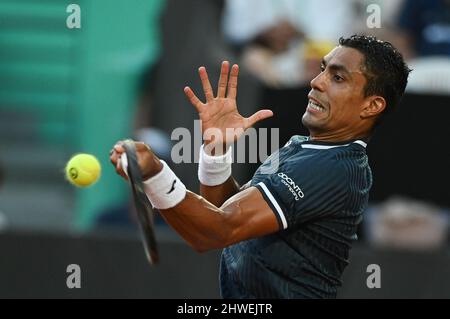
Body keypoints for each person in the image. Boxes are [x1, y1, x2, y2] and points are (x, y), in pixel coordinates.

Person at [110, 35, 411, 298]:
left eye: (338, 78)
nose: (316, 82)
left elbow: (215, 231)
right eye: (322, 70)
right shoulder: (303, 149)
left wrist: (155, 173)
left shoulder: (332, 168)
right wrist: (216, 152)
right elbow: (227, 214)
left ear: (372, 105)